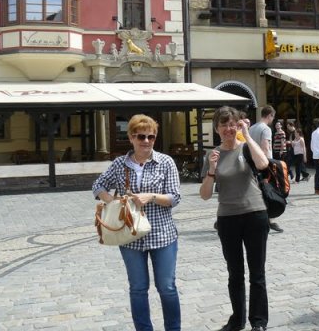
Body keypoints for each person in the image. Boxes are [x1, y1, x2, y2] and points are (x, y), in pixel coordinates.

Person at [92, 114, 181, 331]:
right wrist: (111, 201)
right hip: (129, 236)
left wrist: (151, 197)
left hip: (162, 235)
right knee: (138, 289)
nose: (146, 141)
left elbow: (174, 197)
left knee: (167, 287)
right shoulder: (119, 164)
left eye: (151, 136)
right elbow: (98, 185)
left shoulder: (165, 162)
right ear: (131, 137)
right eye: (141, 136)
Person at [200, 106, 270, 331]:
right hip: (228, 218)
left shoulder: (246, 147)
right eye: (223, 124)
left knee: (257, 273)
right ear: (216, 128)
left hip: (255, 214)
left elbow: (263, 164)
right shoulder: (212, 155)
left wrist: (247, 135)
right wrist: (211, 170)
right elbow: (205, 195)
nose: (228, 129)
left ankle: (258, 322)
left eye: (232, 124)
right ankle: (237, 320)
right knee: (235, 273)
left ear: (238, 125)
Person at [249, 105, 282, 233]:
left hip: (252, 163)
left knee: (256, 191)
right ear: (269, 115)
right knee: (268, 192)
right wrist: (269, 165)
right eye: (273, 117)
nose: (273, 119)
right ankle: (269, 219)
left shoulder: (252, 128)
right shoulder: (266, 129)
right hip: (263, 164)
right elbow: (265, 147)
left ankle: (267, 218)